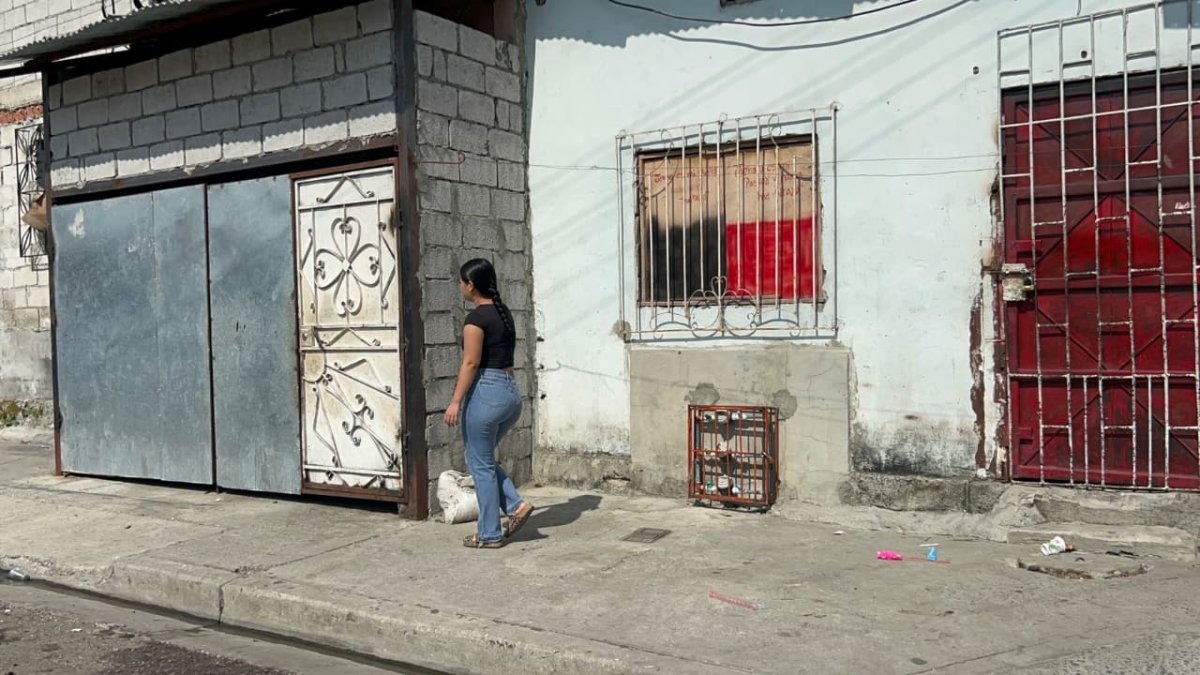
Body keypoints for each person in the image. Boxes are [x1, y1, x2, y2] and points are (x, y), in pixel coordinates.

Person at [444, 258, 533, 548]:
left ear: (470, 285)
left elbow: (470, 362)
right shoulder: (502, 312)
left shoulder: (476, 319)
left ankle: (490, 533)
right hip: (509, 393)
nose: (459, 286)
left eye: (460, 281)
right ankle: (516, 506)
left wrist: (455, 401)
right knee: (481, 460)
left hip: (486, 393)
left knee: (480, 465)